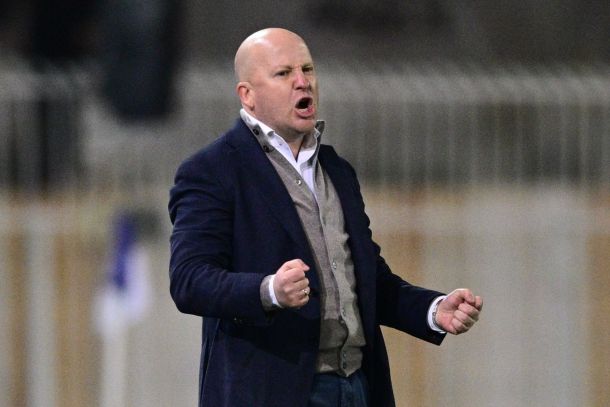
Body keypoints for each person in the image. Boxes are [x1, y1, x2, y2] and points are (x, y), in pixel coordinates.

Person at [168, 27, 483, 407]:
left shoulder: (337, 170)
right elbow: (189, 280)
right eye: (283, 73)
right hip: (272, 393)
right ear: (247, 95)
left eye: (307, 69)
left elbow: (367, 282)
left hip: (357, 387)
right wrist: (269, 291)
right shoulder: (212, 170)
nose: (303, 82)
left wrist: (432, 310)